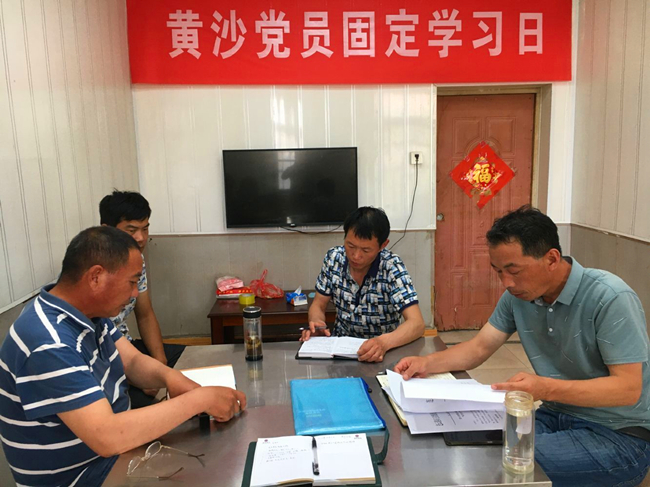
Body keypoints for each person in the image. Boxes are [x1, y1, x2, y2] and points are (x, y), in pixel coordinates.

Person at [395, 206, 650, 487]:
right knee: (477, 446)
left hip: (619, 433)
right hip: (555, 414)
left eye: (514, 270)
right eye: (498, 271)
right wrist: (426, 363)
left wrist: (545, 388)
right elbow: (479, 347)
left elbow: (628, 389)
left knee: (506, 464)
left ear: (551, 258)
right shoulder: (518, 297)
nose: (506, 283)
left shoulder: (610, 297)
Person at [0, 226, 246, 486]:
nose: (135, 293)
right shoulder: (48, 341)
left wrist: (171, 378)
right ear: (96, 277)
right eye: (132, 282)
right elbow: (107, 436)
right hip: (81, 476)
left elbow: (132, 361)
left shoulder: (88, 314)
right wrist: (199, 400)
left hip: (110, 456)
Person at [301, 206, 425, 362]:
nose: (356, 256)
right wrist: (317, 323)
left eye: (366, 250)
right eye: (350, 246)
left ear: (383, 245)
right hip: (340, 352)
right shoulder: (334, 258)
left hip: (382, 353)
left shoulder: (391, 267)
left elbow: (417, 323)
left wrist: (383, 342)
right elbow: (318, 305)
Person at [100, 190, 185, 407]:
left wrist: (159, 362)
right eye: (131, 230)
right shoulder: (97, 271)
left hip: (128, 347)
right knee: (152, 406)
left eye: (145, 229)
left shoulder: (137, 260)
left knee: (189, 359)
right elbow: (100, 347)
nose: (140, 238)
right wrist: (139, 378)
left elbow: (145, 314)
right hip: (106, 360)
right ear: (106, 230)